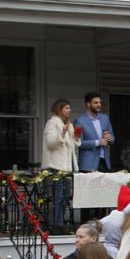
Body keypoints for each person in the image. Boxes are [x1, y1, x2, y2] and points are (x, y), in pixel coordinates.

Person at [42, 99, 79, 233]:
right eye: (66, 108)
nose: (69, 110)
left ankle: (61, 222)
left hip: (66, 167)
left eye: (69, 108)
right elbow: (51, 143)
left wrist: (77, 136)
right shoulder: (52, 123)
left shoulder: (68, 125)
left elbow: (73, 145)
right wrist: (62, 134)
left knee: (65, 196)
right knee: (57, 196)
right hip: (55, 165)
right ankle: (54, 224)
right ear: (59, 109)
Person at [76, 92, 115, 172]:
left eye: (100, 102)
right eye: (96, 103)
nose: (99, 105)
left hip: (105, 163)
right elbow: (79, 143)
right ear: (88, 104)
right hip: (87, 165)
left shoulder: (105, 118)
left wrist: (110, 138)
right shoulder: (79, 121)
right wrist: (98, 142)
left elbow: (112, 138)